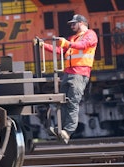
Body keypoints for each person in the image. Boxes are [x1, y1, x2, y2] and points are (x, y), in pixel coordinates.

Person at [41, 14, 98, 144]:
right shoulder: (73, 38)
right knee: (63, 102)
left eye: (74, 23)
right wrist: (43, 45)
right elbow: (60, 51)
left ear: (82, 23)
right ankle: (60, 129)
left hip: (80, 73)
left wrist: (68, 43)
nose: (72, 26)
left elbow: (84, 45)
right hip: (68, 73)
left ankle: (68, 131)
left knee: (72, 102)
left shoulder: (90, 34)